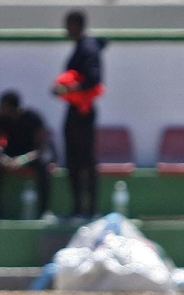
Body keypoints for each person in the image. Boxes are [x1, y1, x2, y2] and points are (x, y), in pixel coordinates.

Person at [55, 10, 105, 220]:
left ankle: (90, 209)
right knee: (73, 161)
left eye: (69, 24)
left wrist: (70, 89)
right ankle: (78, 207)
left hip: (83, 112)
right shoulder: (80, 47)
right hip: (74, 110)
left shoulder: (88, 49)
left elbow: (93, 80)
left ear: (77, 24)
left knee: (86, 160)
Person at [0, 90, 57, 220]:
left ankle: (45, 211)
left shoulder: (33, 118)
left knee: (44, 163)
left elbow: (42, 148)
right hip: (12, 154)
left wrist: (23, 160)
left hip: (32, 155)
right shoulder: (1, 119)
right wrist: (2, 157)